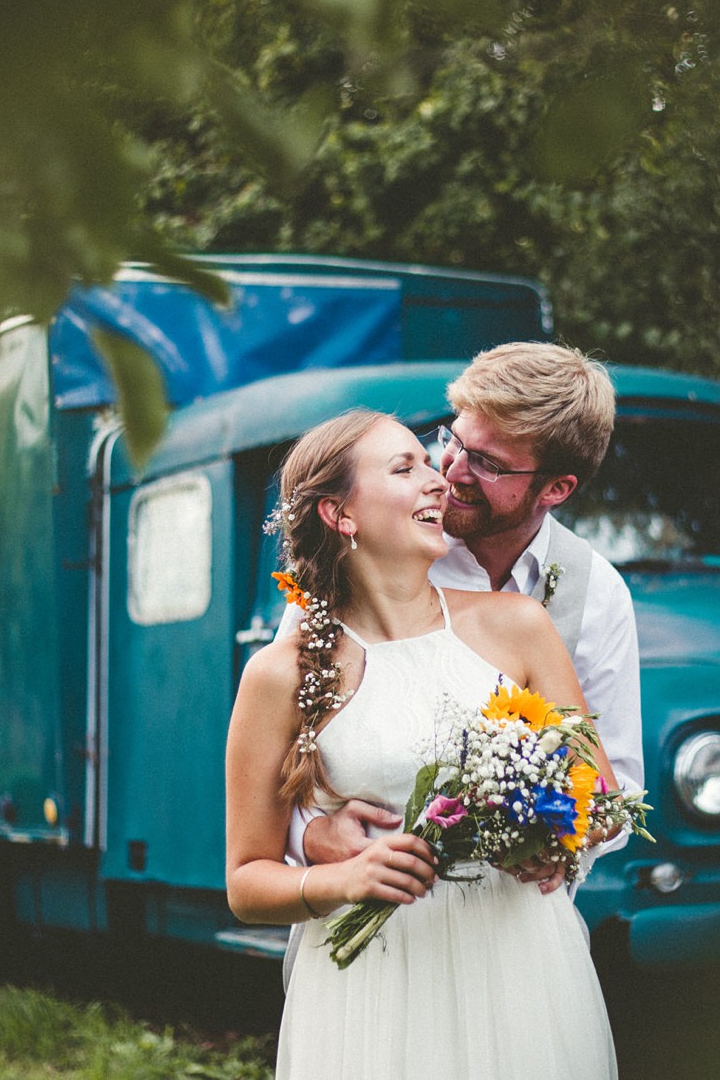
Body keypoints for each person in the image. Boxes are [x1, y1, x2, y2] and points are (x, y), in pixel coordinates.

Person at [225, 409, 621, 1079]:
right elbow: (245, 880)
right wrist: (339, 878)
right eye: (404, 468)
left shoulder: (519, 627)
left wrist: (546, 830)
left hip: (515, 962)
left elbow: (603, 797)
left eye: (425, 461)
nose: (438, 481)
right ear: (340, 513)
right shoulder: (279, 673)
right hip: (375, 987)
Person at [296, 341, 642, 889]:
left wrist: (562, 841)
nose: (451, 470)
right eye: (454, 440)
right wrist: (310, 836)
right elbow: (278, 765)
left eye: (487, 463)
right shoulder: (377, 552)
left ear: (556, 488)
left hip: (513, 926)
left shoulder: (596, 592)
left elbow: (613, 791)